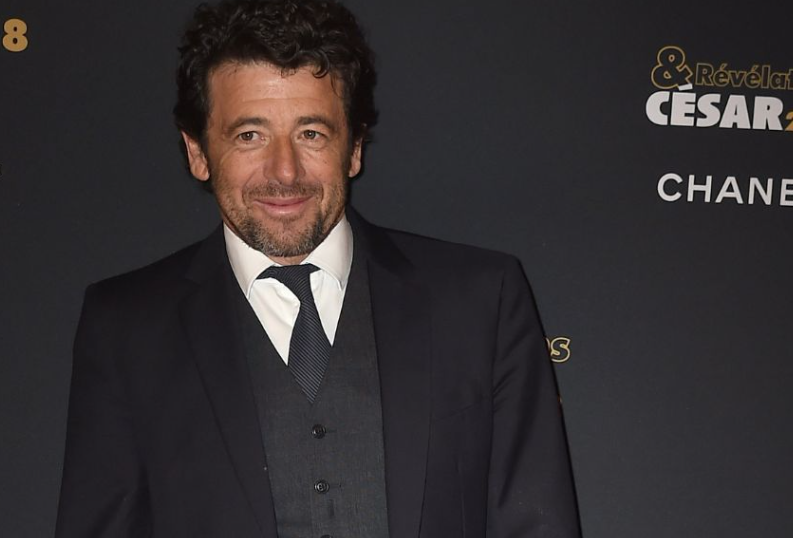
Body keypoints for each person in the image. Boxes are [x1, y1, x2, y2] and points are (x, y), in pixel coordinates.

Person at [54, 0, 581, 536]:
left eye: (311, 133)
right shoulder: (126, 327)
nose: (285, 172)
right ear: (198, 152)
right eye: (250, 135)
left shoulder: (480, 300)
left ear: (353, 148)